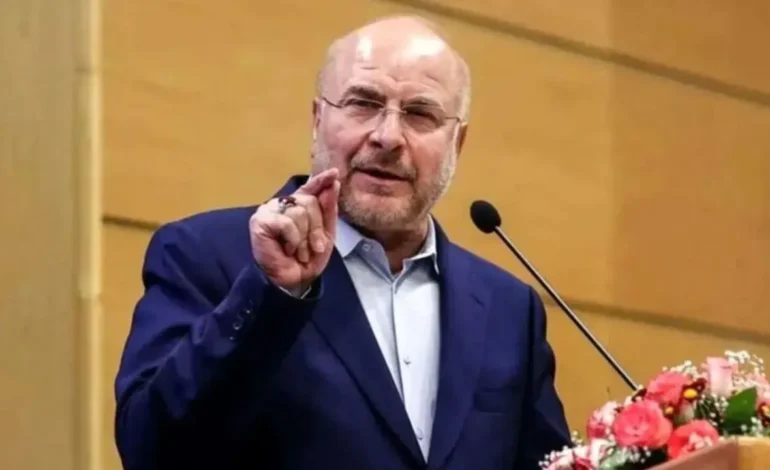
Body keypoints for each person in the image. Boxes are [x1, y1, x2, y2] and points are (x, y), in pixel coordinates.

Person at [114, 14, 570, 470]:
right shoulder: (206, 255)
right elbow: (151, 449)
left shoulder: (510, 308)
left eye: (420, 114)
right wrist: (272, 292)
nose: (388, 137)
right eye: (363, 104)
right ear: (318, 120)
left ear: (457, 142)